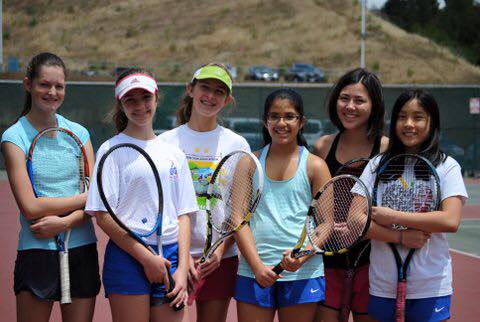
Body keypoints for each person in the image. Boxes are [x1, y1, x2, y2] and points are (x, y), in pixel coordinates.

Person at [85, 68, 198, 322]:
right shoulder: (110, 150)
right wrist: (146, 257)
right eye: (130, 100)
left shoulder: (174, 154)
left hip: (170, 256)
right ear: (120, 104)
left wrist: (181, 269)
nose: (139, 106)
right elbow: (102, 216)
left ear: (156, 98)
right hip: (127, 258)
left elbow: (184, 215)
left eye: (145, 98)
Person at [1, 52, 100, 322]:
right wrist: (83, 199)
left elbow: (96, 202)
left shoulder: (79, 134)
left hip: (82, 251)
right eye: (44, 84)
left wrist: (64, 223)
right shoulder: (14, 137)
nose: (52, 92)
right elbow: (31, 207)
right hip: (36, 252)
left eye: (59, 86)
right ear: (28, 85)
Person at [360, 89, 467, 322]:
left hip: (431, 286)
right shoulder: (376, 165)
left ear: (432, 122)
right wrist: (398, 237)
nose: (409, 124)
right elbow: (355, 221)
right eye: (401, 117)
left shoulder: (447, 166)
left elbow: (449, 221)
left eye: (418, 117)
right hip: (383, 284)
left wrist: (393, 216)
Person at [159, 63, 250, 322]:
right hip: (174, 255)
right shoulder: (165, 142)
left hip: (220, 259)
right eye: (205, 88)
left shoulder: (237, 144)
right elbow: (164, 206)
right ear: (190, 89)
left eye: (219, 91)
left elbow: (238, 211)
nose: (210, 96)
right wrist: (183, 251)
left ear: (227, 100)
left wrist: (220, 251)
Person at [234, 88, 331, 322]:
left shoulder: (315, 166)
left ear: (301, 122)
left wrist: (302, 256)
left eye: (289, 116)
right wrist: (257, 267)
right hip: (253, 273)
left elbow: (328, 223)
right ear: (265, 121)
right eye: (274, 116)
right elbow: (237, 218)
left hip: (303, 275)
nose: (281, 123)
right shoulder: (248, 163)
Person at [313, 68, 388, 322]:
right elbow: (313, 204)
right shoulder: (323, 146)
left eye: (359, 100)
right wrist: (326, 228)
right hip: (328, 262)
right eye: (344, 98)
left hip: (375, 262)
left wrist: (362, 227)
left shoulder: (387, 148)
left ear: (374, 105)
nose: (350, 106)